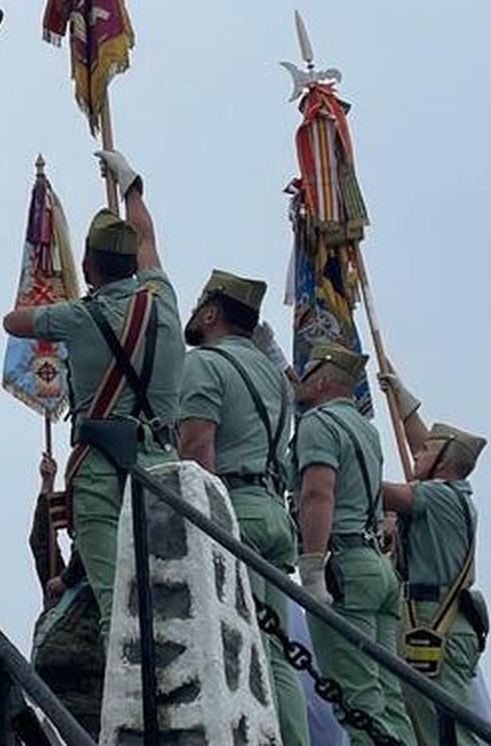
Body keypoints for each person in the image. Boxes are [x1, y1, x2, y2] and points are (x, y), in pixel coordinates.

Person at [1, 147, 183, 682]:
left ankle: (130, 715)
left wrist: (60, 301)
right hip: (161, 465)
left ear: (87, 267)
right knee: (165, 599)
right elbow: (147, 237)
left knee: (116, 604)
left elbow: (14, 322)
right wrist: (132, 188)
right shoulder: (162, 297)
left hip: (104, 469)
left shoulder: (81, 315)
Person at [177, 273, 308, 745]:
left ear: (211, 313)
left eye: (197, 305)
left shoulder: (205, 364)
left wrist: (201, 525)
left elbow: (196, 447)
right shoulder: (274, 376)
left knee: (233, 644)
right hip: (273, 512)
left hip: (234, 512)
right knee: (275, 654)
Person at [294, 342, 414, 745]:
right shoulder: (366, 429)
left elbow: (317, 494)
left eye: (308, 373)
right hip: (376, 567)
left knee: (359, 702)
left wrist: (312, 566)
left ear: (324, 380)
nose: (302, 380)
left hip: (344, 567)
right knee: (389, 698)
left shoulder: (318, 424)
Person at [378, 365, 489, 745]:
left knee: (446, 729)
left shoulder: (440, 496)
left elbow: (388, 494)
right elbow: (423, 443)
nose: (416, 456)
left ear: (443, 462)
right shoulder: (453, 493)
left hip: (435, 621)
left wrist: (345, 453)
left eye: (425, 452)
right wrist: (401, 398)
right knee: (428, 723)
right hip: (433, 619)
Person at [28, 454, 102, 736]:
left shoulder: (104, 591)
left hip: (88, 718)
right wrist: (47, 485)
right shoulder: (60, 591)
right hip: (46, 710)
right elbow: (41, 543)